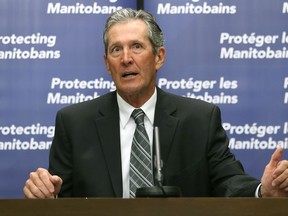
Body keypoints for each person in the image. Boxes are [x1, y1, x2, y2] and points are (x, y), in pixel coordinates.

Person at [23, 8, 288, 199]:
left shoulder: (199, 119)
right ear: (107, 64)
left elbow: (227, 180)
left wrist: (261, 191)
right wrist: (46, 195)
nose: (126, 58)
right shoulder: (74, 123)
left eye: (136, 47)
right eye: (116, 49)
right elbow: (59, 195)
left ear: (159, 57)